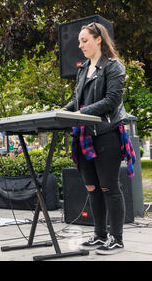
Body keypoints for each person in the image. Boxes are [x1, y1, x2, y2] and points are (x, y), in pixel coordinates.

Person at [63, 22, 135, 255]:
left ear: (98, 39)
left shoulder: (114, 66)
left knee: (109, 187)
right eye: (79, 42)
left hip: (107, 135)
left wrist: (80, 112)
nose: (80, 45)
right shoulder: (83, 68)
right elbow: (77, 101)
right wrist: (60, 114)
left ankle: (117, 239)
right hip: (85, 137)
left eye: (84, 40)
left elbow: (112, 100)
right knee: (92, 187)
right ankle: (100, 235)